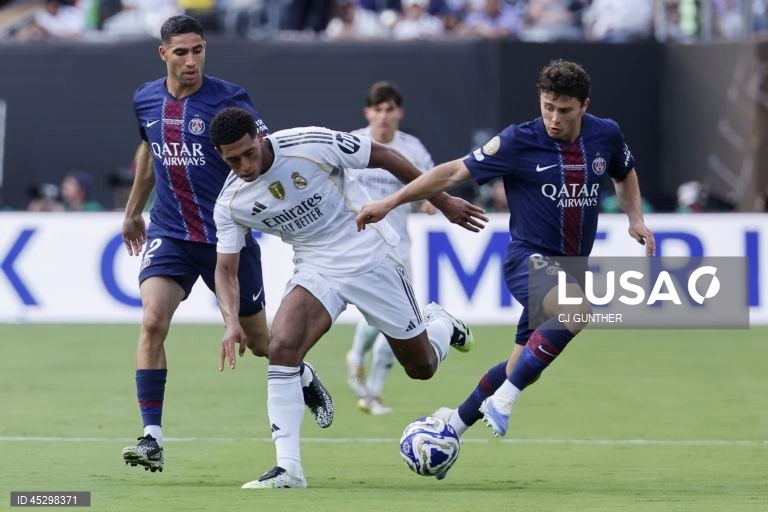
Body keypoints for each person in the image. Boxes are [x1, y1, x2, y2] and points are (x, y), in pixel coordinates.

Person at [357, 59, 655, 473]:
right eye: (547, 106)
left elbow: (624, 172)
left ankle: (451, 427)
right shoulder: (518, 141)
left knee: (519, 366)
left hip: (569, 269)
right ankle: (505, 400)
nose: (553, 118)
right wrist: (390, 202)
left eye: (564, 110)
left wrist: (635, 217)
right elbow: (452, 171)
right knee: (578, 310)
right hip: (527, 260)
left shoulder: (606, 134)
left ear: (584, 106)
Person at [210, 107, 486, 488]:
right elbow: (225, 270)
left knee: (421, 368)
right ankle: (288, 469)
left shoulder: (308, 143)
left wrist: (444, 202)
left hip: (369, 251)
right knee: (282, 347)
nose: (243, 164)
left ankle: (440, 322)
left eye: (248, 153)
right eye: (232, 159)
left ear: (259, 138)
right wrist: (230, 322)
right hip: (317, 267)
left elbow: (385, 156)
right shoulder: (231, 202)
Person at [120, 14, 333, 474]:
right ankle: (151, 436)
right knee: (153, 319)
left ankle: (304, 375)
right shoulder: (145, 100)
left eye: (198, 50)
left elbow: (265, 154)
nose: (192, 60)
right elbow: (148, 152)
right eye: (182, 52)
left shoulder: (229, 99)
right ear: (164, 55)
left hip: (227, 240)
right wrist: (134, 209)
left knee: (262, 344)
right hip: (171, 232)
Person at [344, 81, 436, 415]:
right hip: (359, 247)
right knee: (382, 315)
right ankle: (360, 363)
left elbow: (430, 182)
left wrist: (430, 201)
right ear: (368, 112)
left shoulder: (411, 149)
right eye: (378, 109)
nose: (384, 116)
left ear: (399, 113)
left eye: (389, 109)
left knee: (400, 320)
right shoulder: (353, 144)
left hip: (399, 248)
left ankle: (373, 390)